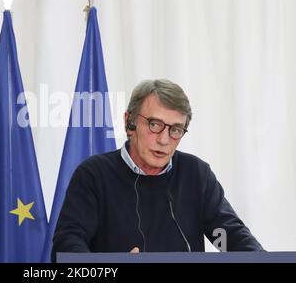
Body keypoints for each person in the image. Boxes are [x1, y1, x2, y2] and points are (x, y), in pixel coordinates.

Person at [52, 79, 263, 261]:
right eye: (155, 125)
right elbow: (68, 245)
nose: (164, 139)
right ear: (129, 123)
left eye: (175, 129)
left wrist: (259, 259)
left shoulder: (196, 174)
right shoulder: (94, 174)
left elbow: (226, 235)